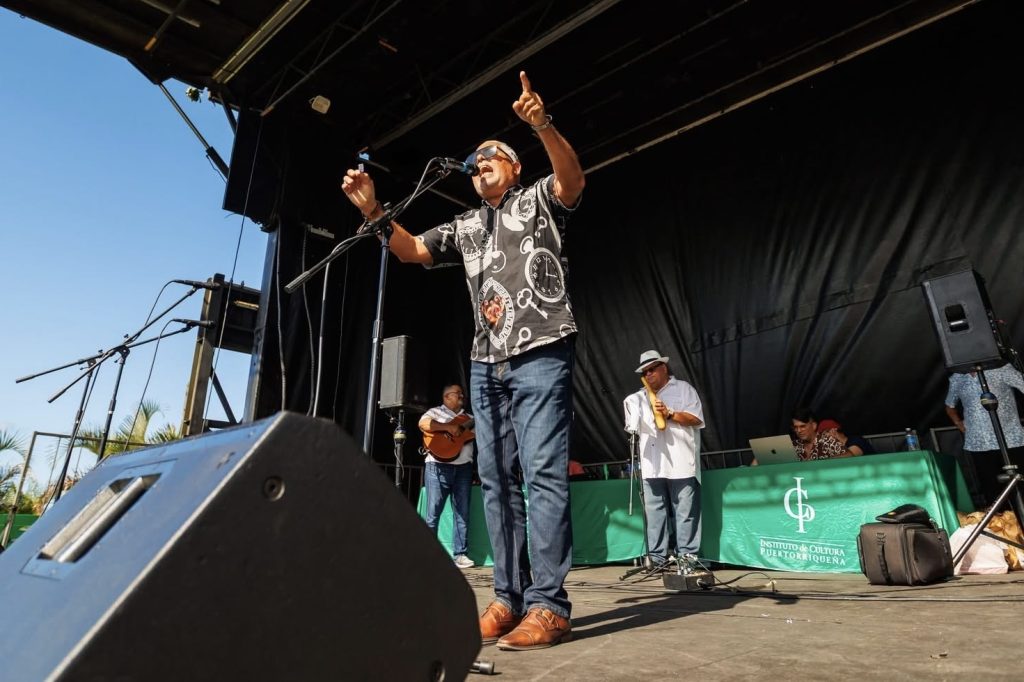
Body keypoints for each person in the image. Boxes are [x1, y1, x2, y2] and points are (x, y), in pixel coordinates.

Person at [342, 71, 585, 651]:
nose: (479, 165)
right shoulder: (467, 225)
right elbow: (410, 250)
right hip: (485, 361)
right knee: (495, 481)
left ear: (515, 167)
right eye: (474, 163)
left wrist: (542, 125)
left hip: (540, 349)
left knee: (542, 475)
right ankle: (509, 597)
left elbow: (572, 180)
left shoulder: (538, 199)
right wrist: (374, 210)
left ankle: (550, 606)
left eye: (491, 157)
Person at [622, 350, 705, 569]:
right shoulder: (638, 398)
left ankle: (687, 559)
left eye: (652, 369)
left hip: (681, 462)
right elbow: (632, 428)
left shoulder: (684, 389)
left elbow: (697, 419)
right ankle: (657, 560)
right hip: (652, 464)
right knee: (654, 515)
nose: (648, 374)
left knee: (685, 513)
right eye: (644, 372)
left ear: (664, 368)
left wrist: (670, 414)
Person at [944, 363, 1024, 508]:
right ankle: (1000, 520)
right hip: (978, 443)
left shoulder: (1001, 368)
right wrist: (958, 423)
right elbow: (950, 406)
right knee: (991, 491)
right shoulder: (958, 377)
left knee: (1019, 486)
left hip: (1010, 439)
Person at [419, 384, 476, 569]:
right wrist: (449, 428)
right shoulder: (435, 412)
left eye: (462, 394)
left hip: (464, 469)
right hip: (437, 467)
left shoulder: (470, 418)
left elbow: (476, 435)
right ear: (446, 397)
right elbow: (423, 424)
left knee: (462, 513)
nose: (462, 396)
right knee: (433, 513)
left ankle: (460, 555)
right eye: (457, 393)